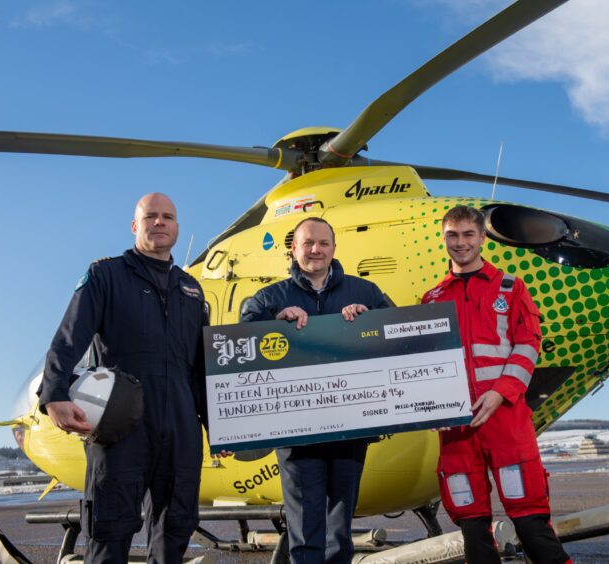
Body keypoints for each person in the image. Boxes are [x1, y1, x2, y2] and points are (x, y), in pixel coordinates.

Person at [38, 193, 207, 563]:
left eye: (167, 217)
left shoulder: (192, 290)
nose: (159, 223)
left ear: (177, 227)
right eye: (150, 217)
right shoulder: (106, 275)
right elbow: (69, 338)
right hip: (120, 423)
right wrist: (53, 393)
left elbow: (202, 369)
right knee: (110, 524)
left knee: (177, 524)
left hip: (180, 425)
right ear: (135, 226)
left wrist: (220, 426)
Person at [422, 206, 571, 564]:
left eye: (468, 235)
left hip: (504, 418)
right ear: (443, 239)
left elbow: (528, 344)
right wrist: (432, 406)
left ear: (482, 238)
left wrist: (501, 391)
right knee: (472, 524)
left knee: (529, 518)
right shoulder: (432, 299)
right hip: (457, 426)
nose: (461, 243)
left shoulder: (511, 287)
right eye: (452, 236)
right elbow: (424, 365)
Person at [240, 217, 389, 564]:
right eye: (308, 243)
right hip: (295, 433)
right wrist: (273, 323)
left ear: (334, 249)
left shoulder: (365, 293)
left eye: (323, 243)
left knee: (340, 529)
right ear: (294, 248)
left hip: (349, 430)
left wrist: (370, 321)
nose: (316, 250)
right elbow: (239, 343)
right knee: (304, 532)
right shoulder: (269, 298)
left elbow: (396, 333)